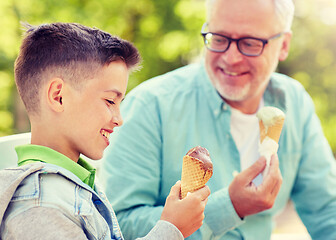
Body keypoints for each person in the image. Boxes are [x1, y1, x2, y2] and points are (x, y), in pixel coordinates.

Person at [101, 0, 336, 239]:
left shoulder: (295, 102)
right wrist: (228, 207)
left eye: (250, 43)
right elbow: (117, 224)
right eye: (220, 39)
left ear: (284, 44)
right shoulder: (150, 106)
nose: (231, 58)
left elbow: (327, 211)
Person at [0, 22, 211, 240]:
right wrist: (171, 229)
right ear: (58, 96)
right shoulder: (40, 206)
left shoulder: (75, 182)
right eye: (110, 101)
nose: (119, 119)